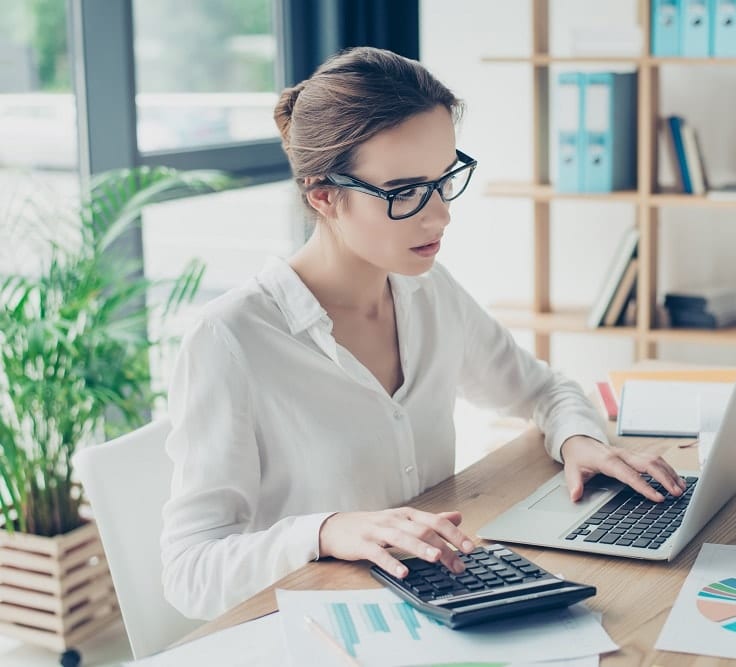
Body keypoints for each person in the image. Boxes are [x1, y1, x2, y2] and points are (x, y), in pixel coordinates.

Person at [160, 46, 686, 621]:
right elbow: (189, 573)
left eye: (443, 181)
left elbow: (542, 390)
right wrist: (326, 531)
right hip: (319, 625)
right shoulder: (231, 340)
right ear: (324, 196)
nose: (439, 216)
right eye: (405, 192)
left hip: (440, 600)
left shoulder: (429, 292)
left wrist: (578, 441)